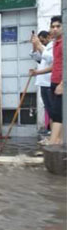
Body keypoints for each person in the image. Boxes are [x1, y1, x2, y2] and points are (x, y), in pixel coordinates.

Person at [29, 30, 54, 141]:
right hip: (43, 83)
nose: (41, 42)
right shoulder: (43, 47)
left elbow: (49, 59)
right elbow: (36, 57)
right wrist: (35, 45)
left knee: (53, 110)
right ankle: (52, 134)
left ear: (48, 37)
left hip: (50, 82)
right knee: (48, 109)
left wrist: (39, 45)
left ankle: (54, 135)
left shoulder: (52, 46)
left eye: (42, 40)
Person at [49, 16, 64, 144]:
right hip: (54, 82)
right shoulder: (55, 43)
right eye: (53, 26)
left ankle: (52, 144)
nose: (55, 29)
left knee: (57, 115)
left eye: (58, 26)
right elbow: (56, 64)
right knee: (55, 114)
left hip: (61, 83)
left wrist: (62, 83)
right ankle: (58, 141)